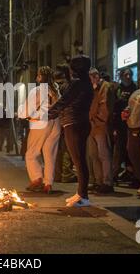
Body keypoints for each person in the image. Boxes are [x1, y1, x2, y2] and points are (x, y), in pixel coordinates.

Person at [48, 56, 94, 207]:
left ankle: (83, 196)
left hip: (75, 124)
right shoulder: (83, 82)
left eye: (72, 67)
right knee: (78, 160)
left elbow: (64, 100)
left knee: (79, 161)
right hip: (75, 123)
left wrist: (46, 114)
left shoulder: (79, 83)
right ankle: (80, 193)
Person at [19, 66, 61, 194]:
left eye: (38, 75)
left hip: (41, 122)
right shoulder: (56, 91)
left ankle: (37, 178)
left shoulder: (37, 91)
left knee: (31, 153)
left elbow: (26, 110)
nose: (36, 77)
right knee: (50, 154)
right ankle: (48, 183)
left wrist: (20, 113)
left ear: (41, 77)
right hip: (55, 122)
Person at [122, 70, 140, 199]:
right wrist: (125, 113)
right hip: (132, 129)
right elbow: (129, 107)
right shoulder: (136, 93)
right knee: (134, 156)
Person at [87, 68, 115, 194]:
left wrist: (97, 121)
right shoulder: (94, 89)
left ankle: (107, 182)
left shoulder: (105, 87)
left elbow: (105, 108)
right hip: (92, 125)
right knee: (94, 155)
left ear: (96, 76)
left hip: (100, 125)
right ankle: (98, 181)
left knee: (103, 154)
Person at [112, 68, 137, 182]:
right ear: (122, 76)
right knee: (119, 151)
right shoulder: (117, 89)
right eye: (126, 74)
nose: (128, 76)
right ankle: (113, 175)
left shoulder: (135, 88)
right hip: (120, 125)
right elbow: (114, 108)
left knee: (131, 151)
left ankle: (132, 174)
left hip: (132, 124)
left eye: (130, 74)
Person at [54, 63, 77, 183]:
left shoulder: (54, 87)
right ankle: (66, 174)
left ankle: (58, 174)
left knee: (58, 149)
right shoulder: (67, 87)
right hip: (67, 120)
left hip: (57, 121)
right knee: (67, 148)